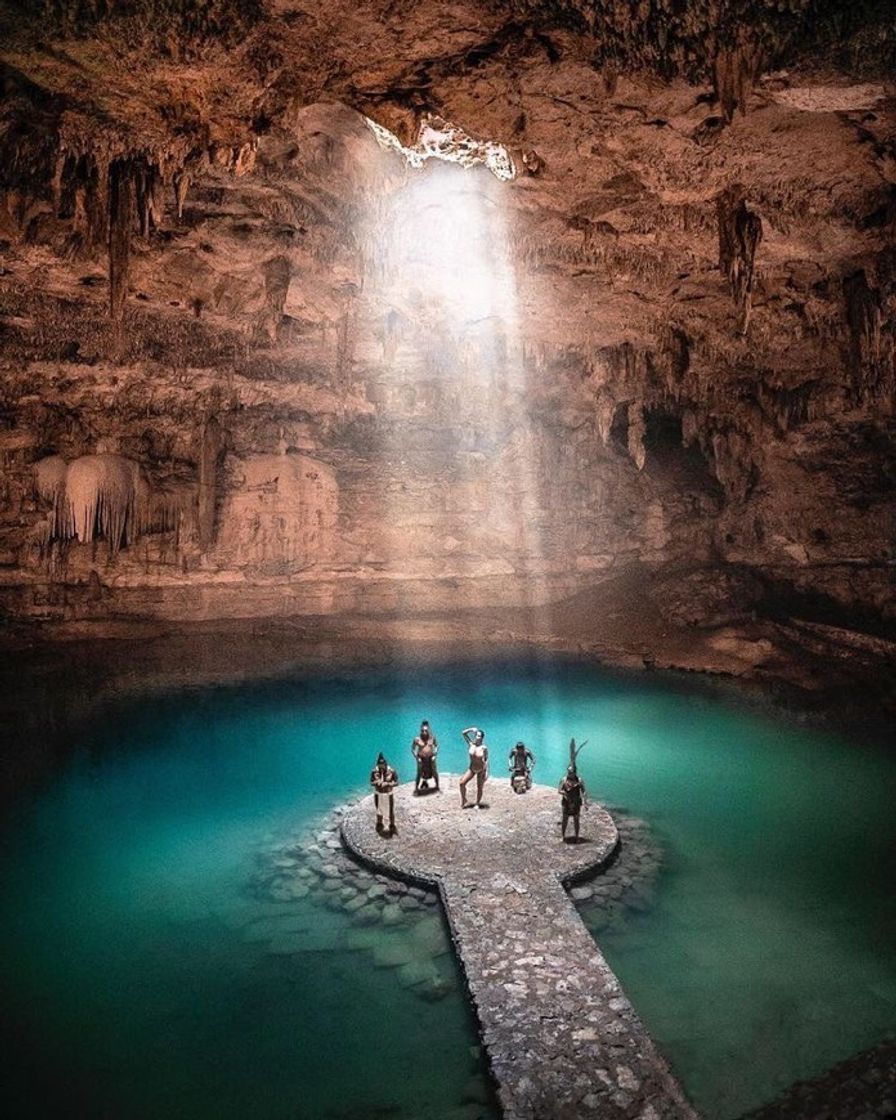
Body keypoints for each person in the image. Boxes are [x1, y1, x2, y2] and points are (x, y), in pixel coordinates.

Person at [459, 727, 489, 808]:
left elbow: (486, 759)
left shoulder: (484, 748)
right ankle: (464, 799)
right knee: (462, 783)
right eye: (476, 735)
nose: (476, 737)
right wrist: (472, 729)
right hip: (472, 768)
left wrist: (487, 772)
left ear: (482, 738)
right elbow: (463, 733)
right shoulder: (471, 744)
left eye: (479, 736)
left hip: (481, 769)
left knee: (479, 787)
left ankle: (477, 803)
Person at [370, 752, 398, 833]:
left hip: (388, 793)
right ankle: (379, 823)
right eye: (379, 766)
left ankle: (392, 824)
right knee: (379, 809)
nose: (381, 767)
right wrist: (377, 782)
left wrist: (388, 784)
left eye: (383, 765)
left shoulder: (392, 771)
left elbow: (397, 782)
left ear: (386, 764)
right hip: (378, 793)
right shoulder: (374, 771)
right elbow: (371, 782)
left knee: (390, 810)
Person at [559, 765, 586, 841]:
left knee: (576, 820)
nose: (569, 773)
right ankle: (563, 836)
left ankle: (577, 836)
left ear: (575, 772)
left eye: (571, 772)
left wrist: (585, 802)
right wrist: (564, 793)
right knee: (565, 819)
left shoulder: (579, 780)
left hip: (576, 802)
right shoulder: (564, 780)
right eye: (568, 772)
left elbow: (584, 791)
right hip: (566, 802)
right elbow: (559, 790)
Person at [411, 720, 439, 793]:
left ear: (428, 730)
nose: (424, 732)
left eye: (425, 731)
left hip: (430, 757)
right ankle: (416, 788)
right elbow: (413, 749)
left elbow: (436, 746)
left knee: (434, 771)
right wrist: (417, 758)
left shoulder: (432, 738)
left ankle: (437, 786)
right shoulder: (417, 739)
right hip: (421, 758)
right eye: (422, 731)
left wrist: (435, 754)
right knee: (419, 772)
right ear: (421, 730)